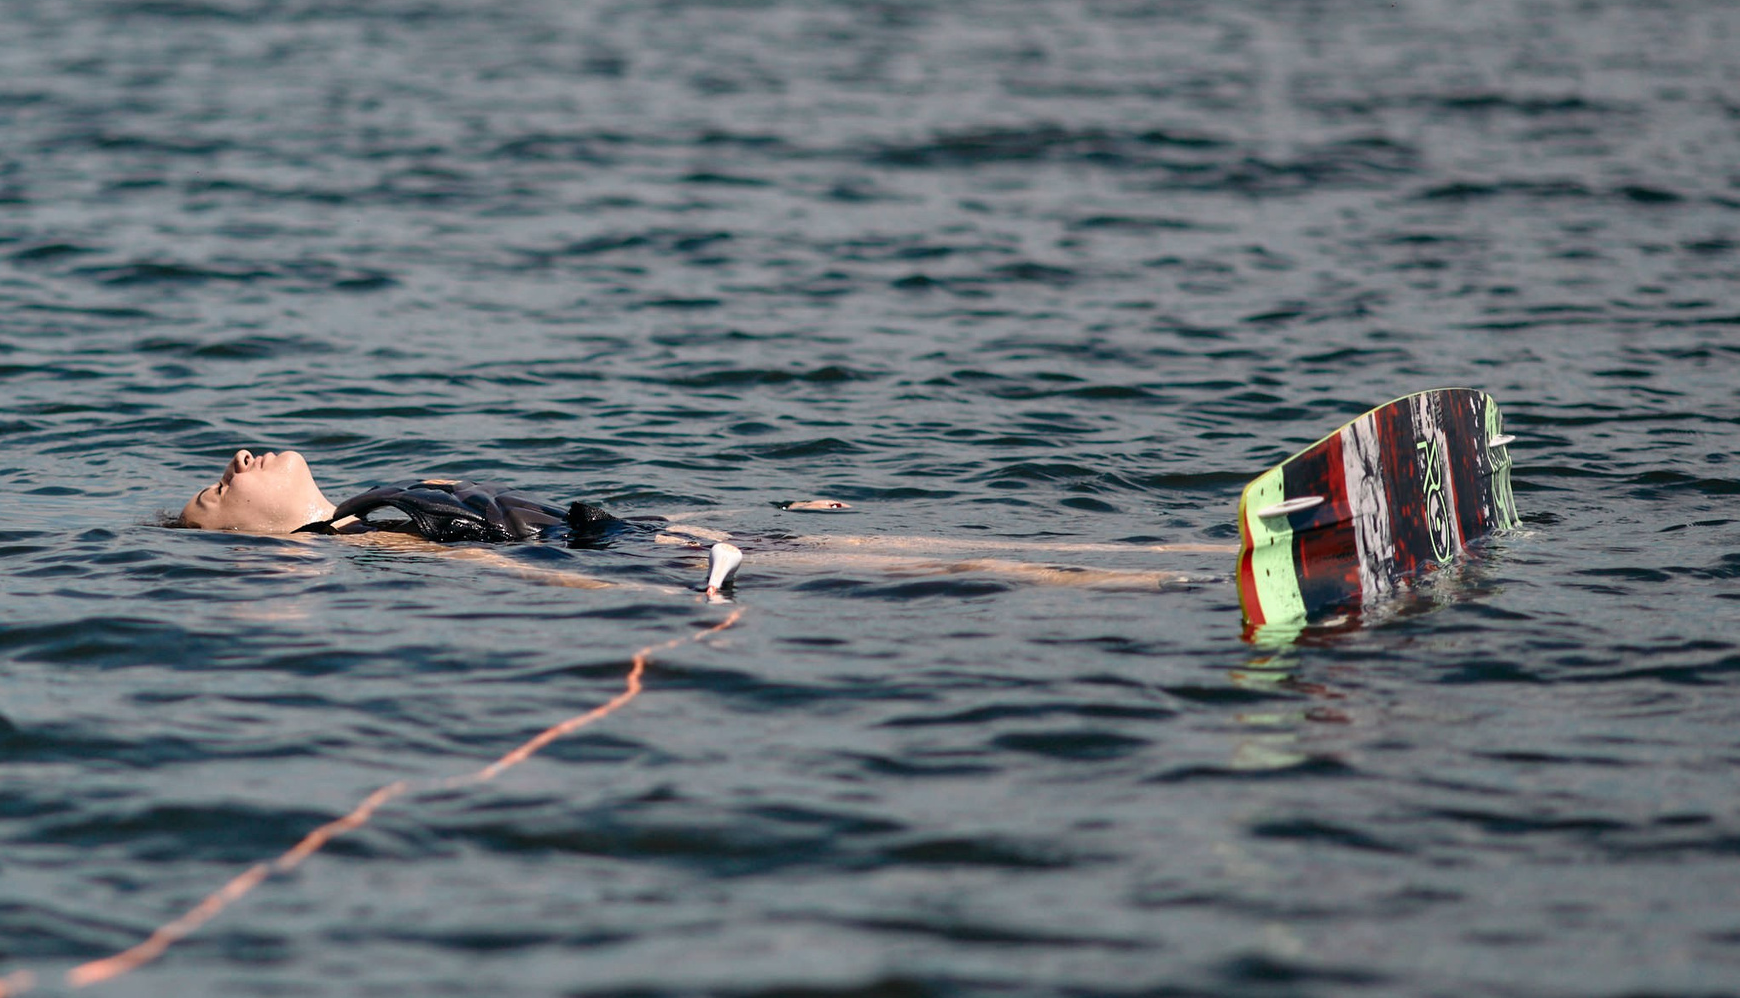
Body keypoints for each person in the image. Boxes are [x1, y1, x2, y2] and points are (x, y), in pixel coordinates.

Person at [174, 448, 1217, 591]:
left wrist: (679, 523)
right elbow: (507, 575)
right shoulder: (358, 541)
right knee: (973, 563)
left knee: (891, 546)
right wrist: (677, 587)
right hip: (641, 562)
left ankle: (1196, 549)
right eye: (219, 491)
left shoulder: (368, 499)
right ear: (257, 538)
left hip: (647, 529)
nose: (233, 464)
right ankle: (1155, 579)